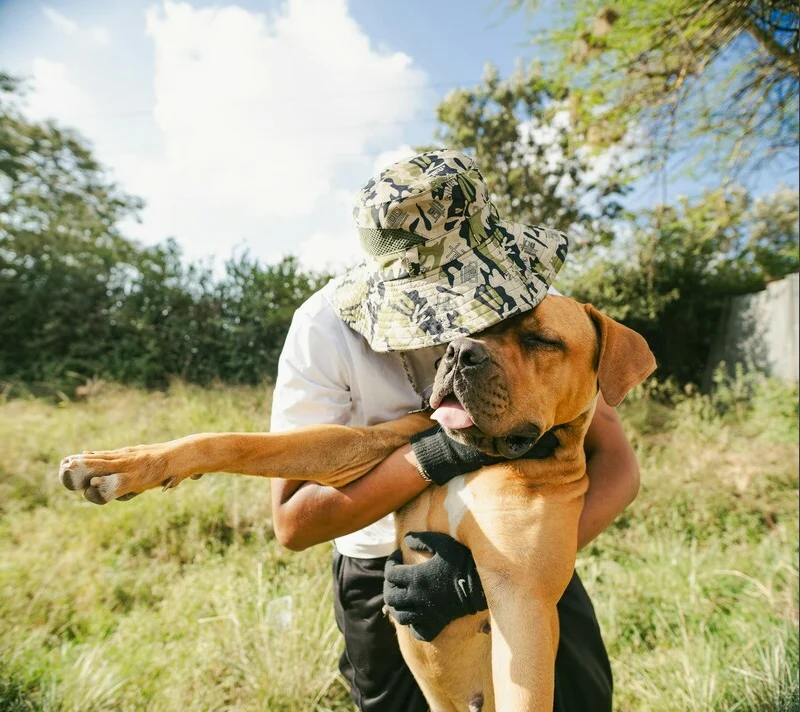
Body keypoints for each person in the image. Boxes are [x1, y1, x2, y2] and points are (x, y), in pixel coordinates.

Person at [270, 149, 639, 711]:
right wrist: (435, 453)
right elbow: (294, 520)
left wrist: (496, 578)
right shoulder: (324, 330)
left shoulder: (529, 304)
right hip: (388, 577)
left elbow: (616, 463)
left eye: (470, 288)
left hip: (525, 541)